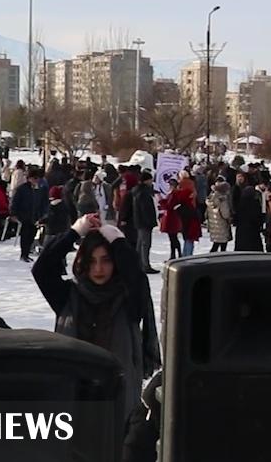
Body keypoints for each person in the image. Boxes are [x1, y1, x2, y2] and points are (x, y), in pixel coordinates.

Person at [33, 213, 161, 416]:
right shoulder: (67, 296)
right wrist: (74, 232)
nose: (98, 269)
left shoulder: (129, 299)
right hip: (74, 402)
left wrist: (118, 242)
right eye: (92, 261)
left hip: (118, 405)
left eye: (106, 260)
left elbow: (137, 277)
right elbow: (42, 269)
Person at [10, 168, 48, 262]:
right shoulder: (22, 189)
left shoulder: (41, 188)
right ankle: (24, 254)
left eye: (37, 178)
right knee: (25, 235)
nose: (36, 180)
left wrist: (44, 213)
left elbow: (44, 201)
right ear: (29, 178)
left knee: (32, 235)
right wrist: (13, 213)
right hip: (24, 215)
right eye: (34, 178)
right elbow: (15, 201)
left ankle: (27, 253)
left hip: (36, 216)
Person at [233, 172, 265, 252]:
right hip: (253, 232)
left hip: (241, 231)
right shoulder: (255, 203)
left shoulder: (240, 203)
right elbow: (258, 217)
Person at [205, 177, 233, 252]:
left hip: (214, 225)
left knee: (216, 243)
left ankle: (212, 255)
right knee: (222, 244)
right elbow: (225, 214)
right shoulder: (222, 199)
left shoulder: (211, 196)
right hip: (222, 224)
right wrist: (229, 218)